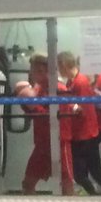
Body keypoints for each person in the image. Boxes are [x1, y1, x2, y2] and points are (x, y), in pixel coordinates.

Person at [56, 51, 101, 195]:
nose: (58, 70)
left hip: (86, 135)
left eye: (59, 66)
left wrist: (70, 105)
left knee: (87, 173)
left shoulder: (80, 82)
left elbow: (83, 110)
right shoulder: (73, 82)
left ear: (64, 65)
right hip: (82, 134)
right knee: (88, 172)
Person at [16, 52, 74, 194]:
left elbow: (57, 116)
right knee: (28, 183)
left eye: (40, 71)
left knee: (67, 183)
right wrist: (25, 105)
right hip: (42, 142)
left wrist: (33, 106)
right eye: (33, 70)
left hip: (59, 141)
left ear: (49, 71)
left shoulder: (59, 89)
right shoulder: (38, 88)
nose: (35, 74)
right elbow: (34, 114)